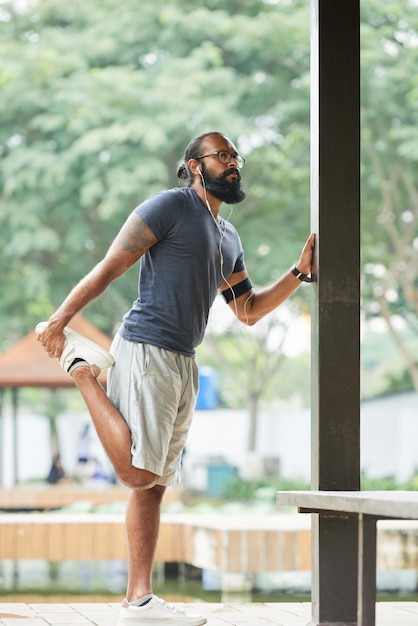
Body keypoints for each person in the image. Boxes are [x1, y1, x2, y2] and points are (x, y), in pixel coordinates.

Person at [36, 131, 314, 625]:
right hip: (147, 346)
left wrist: (297, 273)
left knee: (155, 484)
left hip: (185, 361)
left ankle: (138, 600)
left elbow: (247, 311)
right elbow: (109, 268)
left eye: (235, 157)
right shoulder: (168, 207)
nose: (233, 164)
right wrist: (61, 321)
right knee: (137, 474)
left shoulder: (228, 237)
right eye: (221, 156)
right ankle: (83, 374)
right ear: (193, 165)